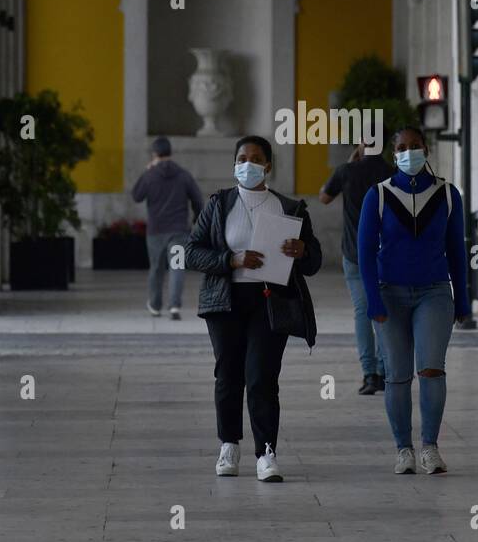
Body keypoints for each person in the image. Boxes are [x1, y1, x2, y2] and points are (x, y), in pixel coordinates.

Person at [185, 136, 322, 482]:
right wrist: (230, 259)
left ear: (268, 166)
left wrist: (303, 250)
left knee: (262, 377)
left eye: (256, 158)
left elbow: (314, 261)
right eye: (242, 158)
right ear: (235, 165)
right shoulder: (219, 205)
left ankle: (266, 452)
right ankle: (228, 445)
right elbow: (191, 252)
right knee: (228, 374)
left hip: (269, 301)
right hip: (225, 300)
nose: (248, 164)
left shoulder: (289, 208)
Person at [357, 127, 471, 475]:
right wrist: (372, 301)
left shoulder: (448, 194)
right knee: (397, 374)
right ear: (394, 155)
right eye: (402, 148)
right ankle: (403, 448)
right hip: (390, 293)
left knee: (432, 368)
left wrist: (462, 298)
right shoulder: (377, 195)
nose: (409, 153)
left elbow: (456, 251)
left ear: (426, 149)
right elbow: (364, 252)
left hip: (434, 292)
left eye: (415, 146)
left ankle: (430, 447)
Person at [319, 139, 393, 395]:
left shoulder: (346, 171)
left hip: (353, 254)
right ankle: (385, 372)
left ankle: (369, 374)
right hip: (385, 254)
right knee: (383, 310)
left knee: (363, 312)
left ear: (361, 144)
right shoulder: (390, 173)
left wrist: (351, 162)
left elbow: (324, 197)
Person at [131, 137, 204, 321]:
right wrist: (196, 218)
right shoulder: (184, 175)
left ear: (154, 154)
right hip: (180, 231)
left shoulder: (150, 175)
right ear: (170, 153)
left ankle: (155, 306)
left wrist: (147, 170)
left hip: (155, 232)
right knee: (177, 267)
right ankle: (174, 306)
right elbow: (197, 200)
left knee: (156, 268)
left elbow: (136, 196)